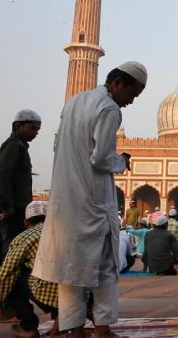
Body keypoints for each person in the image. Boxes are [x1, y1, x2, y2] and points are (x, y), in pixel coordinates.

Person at [33, 61, 147, 337]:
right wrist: (123, 161)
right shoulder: (109, 108)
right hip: (93, 200)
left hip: (66, 200)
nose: (131, 102)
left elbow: (59, 145)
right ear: (118, 83)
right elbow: (102, 158)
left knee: (71, 268)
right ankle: (103, 329)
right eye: (132, 94)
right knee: (106, 267)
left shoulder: (74, 102)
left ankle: (73, 329)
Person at [0, 201, 59, 338]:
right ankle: (63, 315)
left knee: (11, 275)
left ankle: (28, 326)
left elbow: (2, 276)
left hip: (50, 296)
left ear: (25, 221)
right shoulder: (67, 232)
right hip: (78, 297)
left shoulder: (24, 237)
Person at [0, 109, 41, 276]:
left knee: (7, 250)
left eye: (38, 129)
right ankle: (7, 296)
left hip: (17, 208)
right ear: (19, 126)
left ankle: (1, 292)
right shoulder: (14, 146)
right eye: (32, 128)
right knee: (10, 252)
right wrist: (6, 206)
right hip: (12, 210)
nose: (36, 133)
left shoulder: (19, 146)